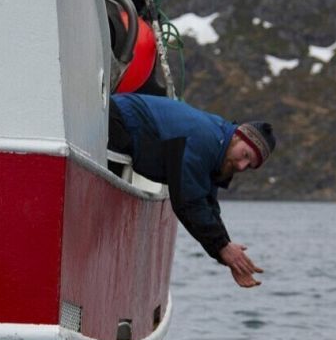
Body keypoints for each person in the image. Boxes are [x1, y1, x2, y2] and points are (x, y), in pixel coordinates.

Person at [108, 93, 277, 288]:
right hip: (117, 119)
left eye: (249, 166)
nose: (241, 165)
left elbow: (207, 204)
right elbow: (188, 201)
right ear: (237, 136)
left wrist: (228, 252)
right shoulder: (205, 139)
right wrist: (223, 248)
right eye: (245, 155)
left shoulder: (218, 147)